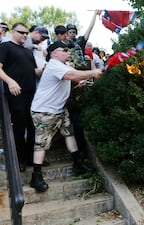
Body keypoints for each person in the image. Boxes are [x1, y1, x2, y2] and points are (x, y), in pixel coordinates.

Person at [29, 41, 102, 192]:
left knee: (69, 134)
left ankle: (77, 163)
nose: (68, 52)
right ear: (54, 53)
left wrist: (79, 81)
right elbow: (70, 75)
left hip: (60, 109)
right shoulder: (54, 64)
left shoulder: (62, 66)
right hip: (45, 111)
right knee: (42, 143)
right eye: (64, 50)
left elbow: (70, 77)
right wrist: (92, 73)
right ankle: (36, 177)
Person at [0, 22, 43, 172]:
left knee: (32, 127)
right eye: (21, 32)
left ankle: (31, 159)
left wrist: (47, 68)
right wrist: (9, 81)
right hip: (16, 93)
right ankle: (19, 160)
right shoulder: (5, 46)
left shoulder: (28, 52)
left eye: (26, 33)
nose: (25, 35)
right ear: (13, 32)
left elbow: (35, 71)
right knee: (19, 127)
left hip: (32, 94)